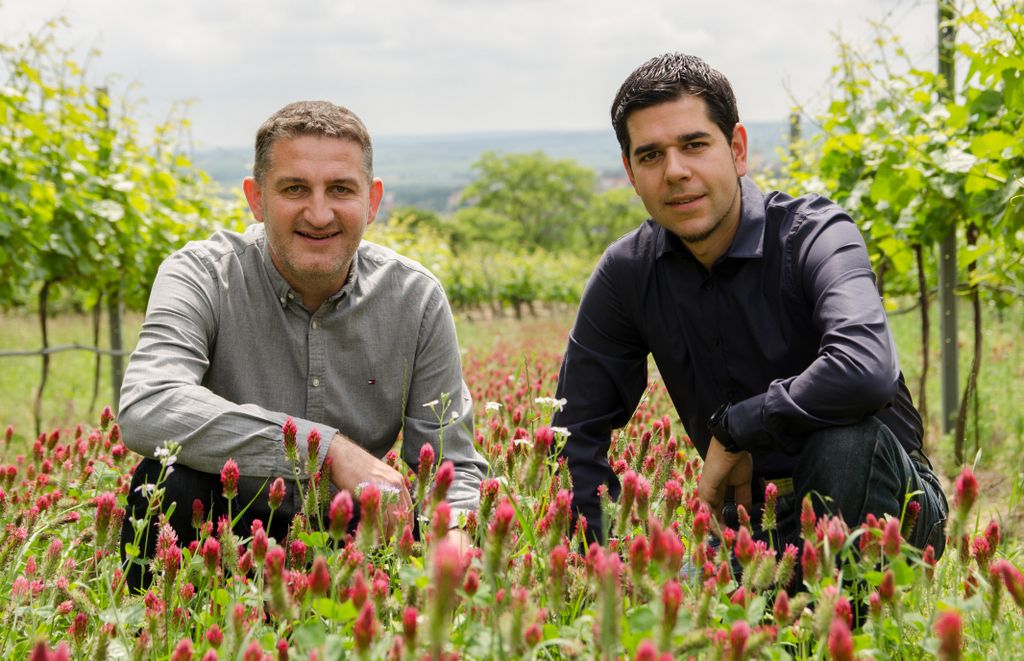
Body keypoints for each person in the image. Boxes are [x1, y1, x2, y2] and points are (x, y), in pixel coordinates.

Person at [553, 53, 947, 559]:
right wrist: (598, 557)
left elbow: (864, 370)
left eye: (694, 145)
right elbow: (572, 426)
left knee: (842, 443)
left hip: (890, 503)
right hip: (744, 521)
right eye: (650, 156)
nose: (675, 171)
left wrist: (736, 428)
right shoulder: (628, 272)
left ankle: (831, 629)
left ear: (737, 150)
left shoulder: (817, 235)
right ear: (630, 172)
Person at [119, 100, 487, 587]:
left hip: (349, 534)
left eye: (340, 189)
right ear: (256, 198)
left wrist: (454, 544)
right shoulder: (201, 275)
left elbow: (450, 466)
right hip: (223, 524)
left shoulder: (415, 299)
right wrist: (325, 451)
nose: (318, 213)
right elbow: (148, 404)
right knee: (165, 480)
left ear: (372, 201)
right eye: (294, 189)